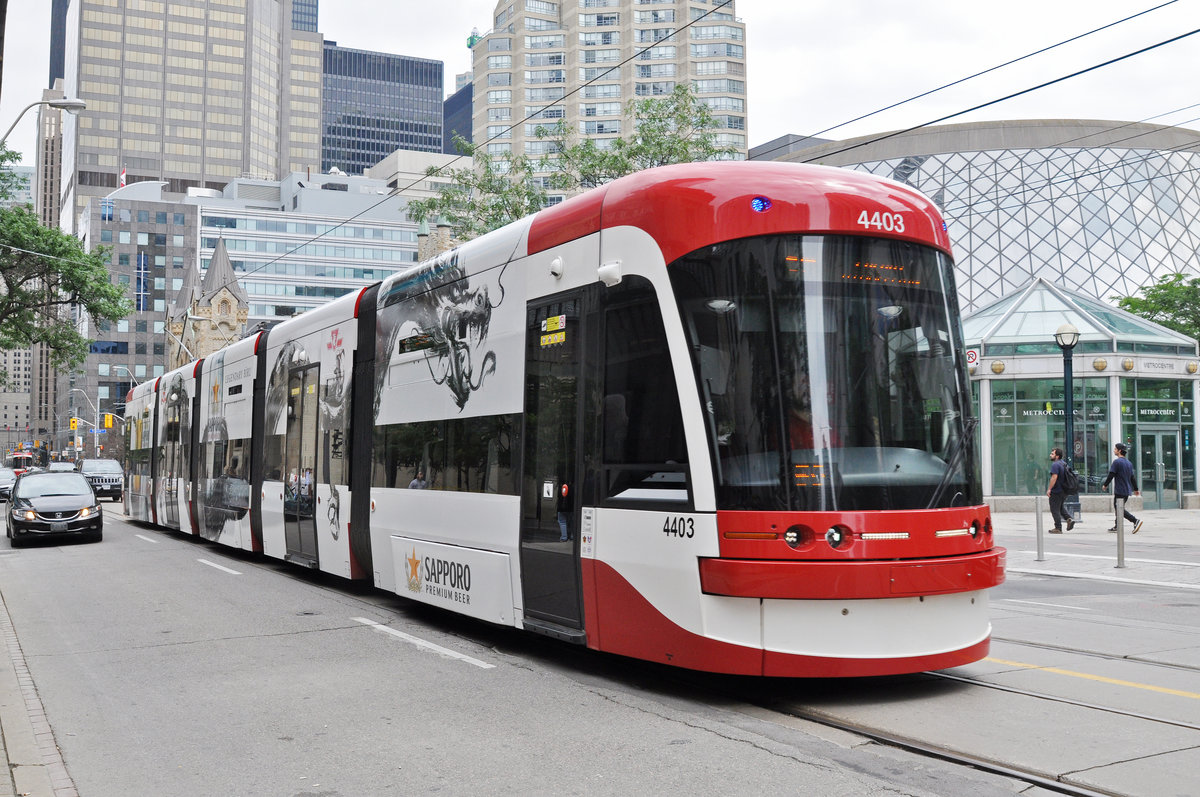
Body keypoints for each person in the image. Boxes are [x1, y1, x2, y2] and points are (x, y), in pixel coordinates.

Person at [1102, 442, 1143, 533]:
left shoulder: (1117, 462)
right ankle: (1117, 526)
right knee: (1119, 507)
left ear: (1119, 451)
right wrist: (1136, 489)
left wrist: (1105, 485)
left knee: (1119, 508)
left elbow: (1111, 475)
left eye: (1115, 449)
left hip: (1120, 490)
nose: (1114, 450)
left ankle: (1135, 520)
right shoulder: (1129, 463)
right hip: (1127, 490)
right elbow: (1132, 477)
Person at [1046, 447, 1074, 533]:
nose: (1050, 455)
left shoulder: (1055, 464)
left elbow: (1054, 477)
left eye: (1052, 454)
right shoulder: (1064, 463)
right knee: (1060, 507)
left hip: (1057, 490)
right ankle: (1068, 519)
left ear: (1057, 456)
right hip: (1064, 490)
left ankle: (1058, 527)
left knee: (1054, 509)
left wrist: (1049, 489)